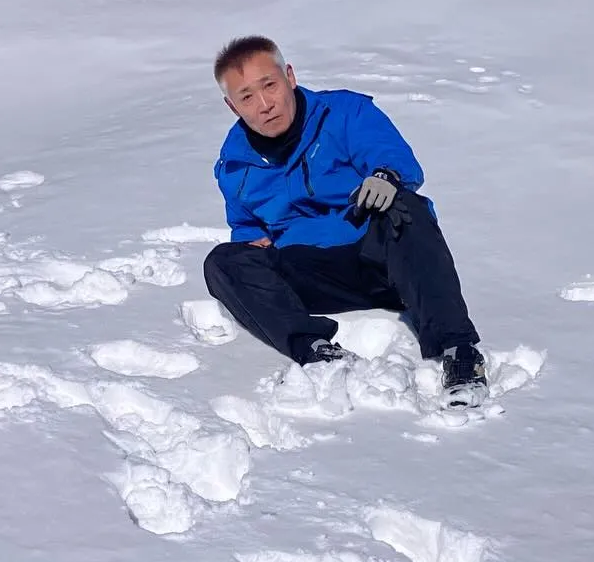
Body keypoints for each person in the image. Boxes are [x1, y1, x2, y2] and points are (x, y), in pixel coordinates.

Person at [202, 35, 489, 407]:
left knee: (407, 209)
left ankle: (458, 350)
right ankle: (317, 350)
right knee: (222, 262)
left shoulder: (344, 113)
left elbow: (393, 158)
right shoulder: (234, 164)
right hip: (312, 274)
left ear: (289, 76)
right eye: (246, 97)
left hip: (380, 259)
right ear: (232, 106)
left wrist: (385, 177)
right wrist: (250, 247)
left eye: (269, 85)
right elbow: (246, 227)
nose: (264, 105)